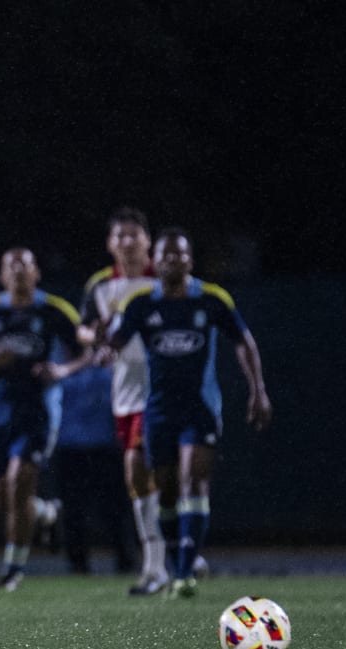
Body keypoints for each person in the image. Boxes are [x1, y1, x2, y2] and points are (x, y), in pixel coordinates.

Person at [103, 228, 271, 599]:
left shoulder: (210, 299)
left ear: (189, 260)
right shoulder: (142, 304)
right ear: (155, 262)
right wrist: (105, 351)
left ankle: (182, 572)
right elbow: (114, 339)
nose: (172, 261)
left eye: (179, 255)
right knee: (165, 493)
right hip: (159, 409)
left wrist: (258, 390)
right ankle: (179, 558)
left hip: (200, 407)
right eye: (165, 256)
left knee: (194, 481)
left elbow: (243, 341)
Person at [0, 247, 89, 591]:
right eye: (11, 267)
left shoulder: (52, 309)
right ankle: (44, 512)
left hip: (39, 409)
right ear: (3, 275)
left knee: (20, 480)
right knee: (2, 496)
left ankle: (12, 568)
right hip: (0, 411)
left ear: (36, 273)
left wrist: (59, 369)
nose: (18, 272)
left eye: (25, 266)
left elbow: (84, 351)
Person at [79, 207, 171, 595]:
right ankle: (163, 560)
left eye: (135, 235)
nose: (128, 242)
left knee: (153, 469)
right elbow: (84, 330)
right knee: (137, 477)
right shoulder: (101, 286)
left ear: (148, 241)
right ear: (110, 244)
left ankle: (163, 563)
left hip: (165, 388)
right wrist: (94, 338)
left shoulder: (165, 280)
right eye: (121, 236)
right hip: (126, 390)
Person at [51, 362, 137, 575]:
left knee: (114, 509)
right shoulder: (59, 363)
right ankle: (77, 563)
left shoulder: (109, 364)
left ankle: (125, 559)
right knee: (74, 511)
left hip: (105, 446)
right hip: (70, 448)